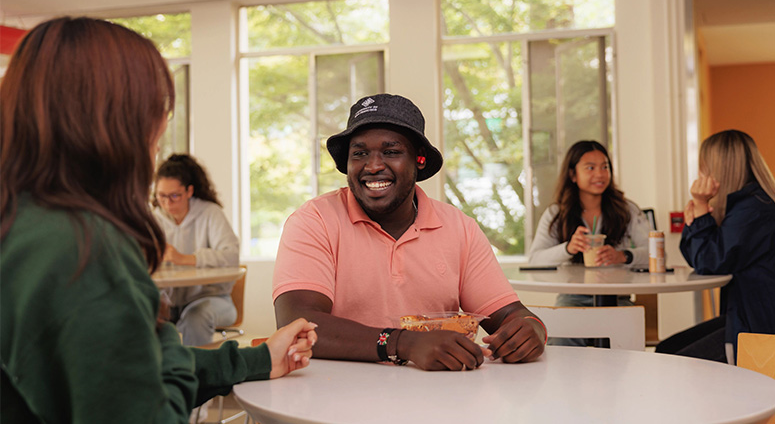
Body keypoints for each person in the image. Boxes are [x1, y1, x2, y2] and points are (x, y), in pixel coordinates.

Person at [1, 17, 316, 424]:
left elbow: (125, 373)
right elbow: (148, 394)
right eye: (157, 113)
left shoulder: (22, 224)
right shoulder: (84, 250)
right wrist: (160, 322)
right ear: (115, 124)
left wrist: (256, 360)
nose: (161, 132)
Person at [273, 93, 546, 371]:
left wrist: (531, 329)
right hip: (334, 400)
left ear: (419, 160)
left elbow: (511, 315)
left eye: (391, 152)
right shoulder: (314, 220)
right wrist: (405, 344)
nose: (373, 166)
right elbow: (297, 322)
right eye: (360, 153)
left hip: (437, 401)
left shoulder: (459, 228)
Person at [655, 130, 775, 363]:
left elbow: (710, 262)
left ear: (718, 169)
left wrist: (701, 209)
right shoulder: (745, 206)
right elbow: (699, 259)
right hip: (744, 315)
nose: (700, 175)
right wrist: (697, 219)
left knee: (670, 359)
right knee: (666, 349)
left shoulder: (754, 210)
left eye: (703, 167)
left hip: (758, 326)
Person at [528, 141, 649, 344]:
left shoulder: (627, 210)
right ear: (573, 175)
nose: (600, 174)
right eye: (590, 168)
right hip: (572, 300)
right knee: (561, 356)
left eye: (605, 167)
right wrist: (567, 248)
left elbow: (655, 255)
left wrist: (624, 255)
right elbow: (534, 260)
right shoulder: (556, 214)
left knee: (627, 358)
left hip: (618, 300)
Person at [153, 153, 241, 346]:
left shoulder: (210, 213)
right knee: (143, 313)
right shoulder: (153, 219)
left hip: (214, 299)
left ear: (189, 191)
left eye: (174, 196)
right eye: (162, 196)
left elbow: (231, 255)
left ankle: (196, 373)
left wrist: (184, 258)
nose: (167, 203)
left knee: (195, 316)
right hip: (167, 301)